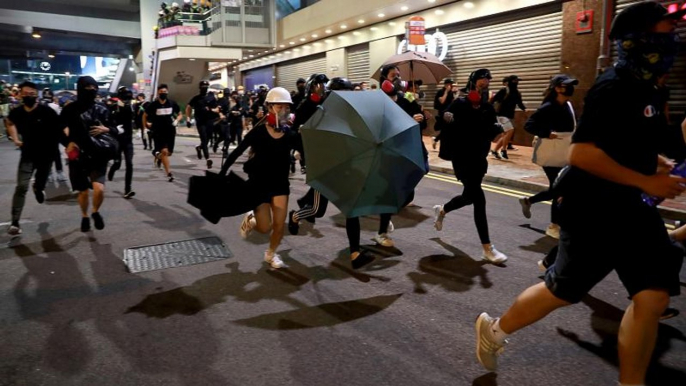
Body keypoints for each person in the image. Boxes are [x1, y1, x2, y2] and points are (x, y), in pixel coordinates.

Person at [475, 4, 685, 385]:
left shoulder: (651, 86)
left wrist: (653, 163)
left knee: (652, 297)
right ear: (640, 37)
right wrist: (647, 182)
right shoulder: (614, 86)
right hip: (591, 208)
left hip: (631, 210)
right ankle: (494, 330)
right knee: (564, 291)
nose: (675, 34)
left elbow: (625, 142)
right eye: (668, 26)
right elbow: (582, 153)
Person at [220, 87, 300, 269]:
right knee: (265, 228)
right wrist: (222, 172)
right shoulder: (258, 132)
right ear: (270, 107)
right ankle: (251, 219)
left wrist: (300, 155)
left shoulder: (291, 134)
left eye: (287, 107)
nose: (284, 110)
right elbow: (237, 152)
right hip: (259, 184)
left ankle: (271, 253)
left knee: (279, 225)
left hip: (280, 184)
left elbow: (304, 151)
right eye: (280, 106)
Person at [432, 69, 507, 264]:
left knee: (468, 197)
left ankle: (442, 210)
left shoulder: (487, 108)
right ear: (473, 81)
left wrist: (498, 130)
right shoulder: (460, 103)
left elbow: (492, 134)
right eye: (483, 78)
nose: (486, 81)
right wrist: (446, 119)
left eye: (489, 79)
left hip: (479, 159)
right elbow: (440, 124)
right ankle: (487, 248)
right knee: (479, 199)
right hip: (462, 158)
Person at [518, 75, 578, 239]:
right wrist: (546, 133)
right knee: (559, 188)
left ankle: (529, 201)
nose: (570, 89)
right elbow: (529, 125)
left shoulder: (569, 105)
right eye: (567, 86)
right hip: (551, 153)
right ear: (557, 88)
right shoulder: (548, 107)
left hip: (564, 152)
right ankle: (553, 226)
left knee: (558, 188)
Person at [61, 76, 119, 232]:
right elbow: (58, 130)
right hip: (77, 155)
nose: (92, 90)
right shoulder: (69, 109)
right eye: (87, 88)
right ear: (80, 89)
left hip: (99, 153)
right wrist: (68, 143)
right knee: (83, 192)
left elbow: (116, 130)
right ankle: (84, 215)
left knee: (99, 189)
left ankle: (95, 212)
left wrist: (106, 129)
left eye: (94, 87)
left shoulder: (102, 109)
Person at [5, 81, 63, 235]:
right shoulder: (17, 112)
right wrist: (16, 138)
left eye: (31, 94)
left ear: (36, 95)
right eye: (25, 94)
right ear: (20, 95)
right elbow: (9, 123)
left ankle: (39, 188)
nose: (28, 96)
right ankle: (15, 222)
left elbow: (60, 128)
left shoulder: (47, 112)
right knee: (21, 187)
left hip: (46, 155)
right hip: (27, 154)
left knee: (40, 183)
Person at [144, 84, 182, 182]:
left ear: (167, 92)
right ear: (158, 92)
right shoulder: (153, 105)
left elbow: (180, 114)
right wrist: (146, 125)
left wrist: (177, 120)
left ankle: (157, 155)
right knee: (164, 151)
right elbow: (144, 115)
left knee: (168, 153)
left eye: (165, 92)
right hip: (158, 131)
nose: (163, 94)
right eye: (161, 92)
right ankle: (169, 173)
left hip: (170, 130)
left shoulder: (172, 103)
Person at [107, 86, 137, 198]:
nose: (127, 99)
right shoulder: (113, 108)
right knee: (117, 163)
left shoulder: (130, 108)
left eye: (128, 97)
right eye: (124, 97)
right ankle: (112, 171)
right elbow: (108, 122)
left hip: (128, 141)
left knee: (129, 163)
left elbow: (134, 118)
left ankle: (127, 189)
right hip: (117, 141)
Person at [490, 75, 526, 160]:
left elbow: (519, 103)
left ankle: (495, 150)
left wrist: (524, 109)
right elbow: (493, 100)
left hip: (509, 115)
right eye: (514, 81)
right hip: (501, 114)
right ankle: (503, 150)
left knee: (506, 134)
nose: (516, 83)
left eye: (517, 81)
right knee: (510, 130)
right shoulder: (504, 90)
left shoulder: (516, 92)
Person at [186, 80, 216, 169]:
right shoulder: (196, 98)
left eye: (206, 87)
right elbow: (188, 107)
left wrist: (213, 111)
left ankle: (199, 148)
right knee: (204, 139)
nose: (205, 88)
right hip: (200, 122)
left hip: (210, 121)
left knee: (208, 139)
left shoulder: (212, 97)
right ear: (200, 88)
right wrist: (188, 119)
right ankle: (208, 159)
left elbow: (216, 108)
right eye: (203, 87)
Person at [433, 79, 456, 150]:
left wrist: (456, 94)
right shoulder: (441, 92)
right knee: (445, 129)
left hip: (450, 113)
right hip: (442, 113)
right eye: (450, 84)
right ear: (447, 85)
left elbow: (453, 102)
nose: (452, 86)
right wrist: (446, 91)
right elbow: (442, 101)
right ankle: (436, 140)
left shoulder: (451, 93)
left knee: (447, 129)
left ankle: (436, 140)